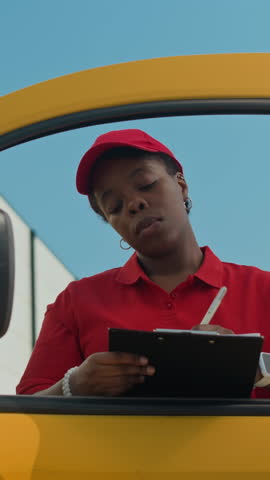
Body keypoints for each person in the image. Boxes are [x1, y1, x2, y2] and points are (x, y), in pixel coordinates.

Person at [16, 128, 270, 398]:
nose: (134, 204)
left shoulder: (263, 289)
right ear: (111, 223)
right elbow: (25, 414)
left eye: (147, 184)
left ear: (181, 185)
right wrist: (74, 386)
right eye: (114, 205)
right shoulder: (76, 303)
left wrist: (253, 366)